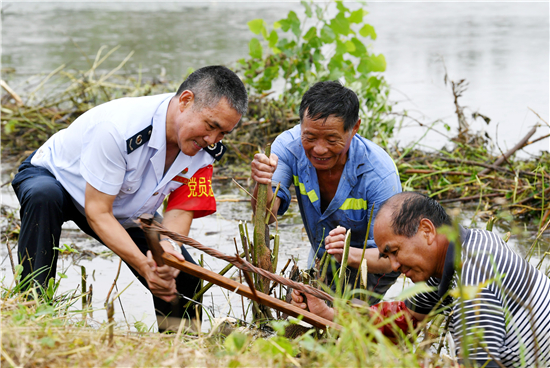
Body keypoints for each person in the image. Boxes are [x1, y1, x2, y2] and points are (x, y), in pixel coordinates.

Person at [12, 65, 248, 332]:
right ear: (185, 101)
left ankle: (180, 351)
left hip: (125, 207)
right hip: (60, 181)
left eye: (223, 133)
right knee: (43, 197)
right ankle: (33, 313)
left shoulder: (205, 149)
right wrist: (144, 267)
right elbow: (98, 212)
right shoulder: (120, 128)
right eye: (211, 126)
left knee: (183, 279)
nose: (212, 139)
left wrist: (168, 254)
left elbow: (181, 208)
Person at [291, 192, 550, 368]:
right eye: (386, 256)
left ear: (427, 230)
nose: (393, 266)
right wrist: (327, 313)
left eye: (394, 251)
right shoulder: (460, 252)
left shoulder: (473, 278)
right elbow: (400, 319)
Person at [251, 81, 401, 303]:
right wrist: (262, 182)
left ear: (355, 128)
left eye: (332, 140)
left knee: (345, 320)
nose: (319, 149)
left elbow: (392, 258)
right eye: (310, 137)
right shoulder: (288, 147)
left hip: (371, 265)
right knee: (301, 310)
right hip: (324, 256)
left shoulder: (379, 175)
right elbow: (266, 216)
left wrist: (347, 254)